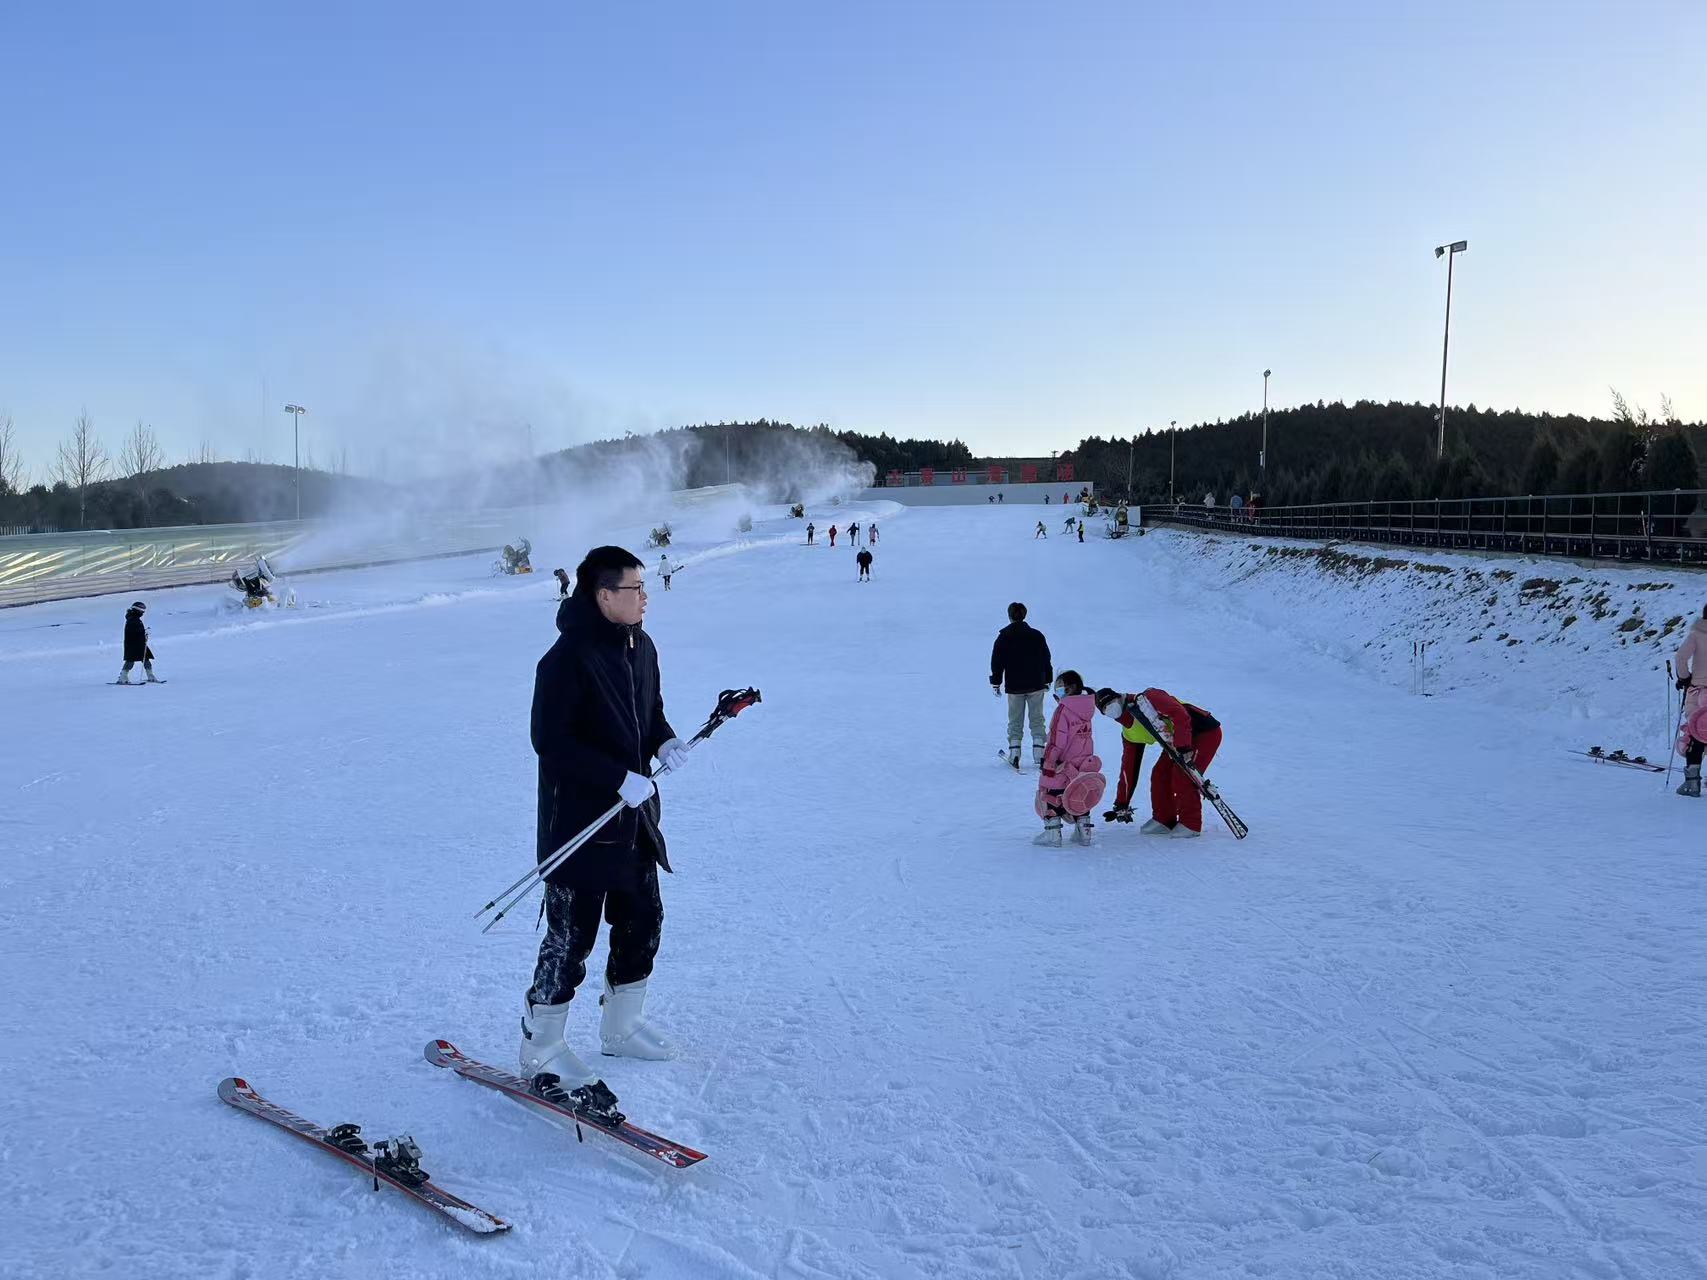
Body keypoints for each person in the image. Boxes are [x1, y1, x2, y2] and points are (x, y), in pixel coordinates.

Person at [521, 547, 691, 1115]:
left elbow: (651, 714)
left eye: (645, 586)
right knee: (571, 939)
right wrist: (617, 776)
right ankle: (541, 1046)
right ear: (602, 595)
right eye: (634, 587)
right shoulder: (565, 659)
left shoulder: (642, 646)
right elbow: (552, 742)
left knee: (643, 917)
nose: (646, 596)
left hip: (635, 820)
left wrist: (664, 742)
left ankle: (622, 1026)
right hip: (581, 825)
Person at [1094, 687, 1222, 837]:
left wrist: (1184, 746)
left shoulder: (1150, 698)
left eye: (1111, 702)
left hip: (1202, 733)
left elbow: (1180, 714)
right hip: (1175, 742)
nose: (1110, 708)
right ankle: (1164, 820)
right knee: (1159, 774)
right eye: (1105, 708)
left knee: (1182, 775)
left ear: (1119, 697)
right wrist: (1122, 803)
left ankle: (1190, 824)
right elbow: (1129, 767)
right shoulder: (1129, 732)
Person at [1033, 671, 1106, 846]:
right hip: (1082, 765)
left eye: (1059, 688)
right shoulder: (1086, 709)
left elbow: (1057, 740)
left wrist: (1049, 763)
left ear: (1070, 688)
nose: (1056, 693)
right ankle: (1084, 832)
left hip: (1062, 764)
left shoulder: (1064, 710)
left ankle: (1053, 834)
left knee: (1049, 794)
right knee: (1079, 792)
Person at [990, 602, 1052, 768]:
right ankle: (1039, 754)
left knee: (1015, 720)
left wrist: (996, 682)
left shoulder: (1003, 637)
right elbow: (1046, 658)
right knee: (1037, 719)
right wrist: (1048, 679)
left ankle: (1015, 753)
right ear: (1024, 615)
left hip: (1015, 686)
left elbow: (997, 662)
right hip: (1036, 684)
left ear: (1009, 616)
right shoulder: (1037, 635)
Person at [1675, 604, 1707, 797]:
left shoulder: (1697, 634)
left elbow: (1680, 657)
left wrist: (1684, 677)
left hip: (1699, 692)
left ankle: (1692, 783)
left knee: (1698, 732)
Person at [118, 601, 161, 683]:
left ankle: (150, 675)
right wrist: (144, 633)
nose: (143, 613)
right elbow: (134, 632)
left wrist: (144, 633)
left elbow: (137, 631)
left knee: (146, 658)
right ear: (138, 611)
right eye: (142, 611)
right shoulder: (132, 620)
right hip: (133, 644)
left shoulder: (134, 618)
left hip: (139, 644)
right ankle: (123, 677)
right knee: (130, 660)